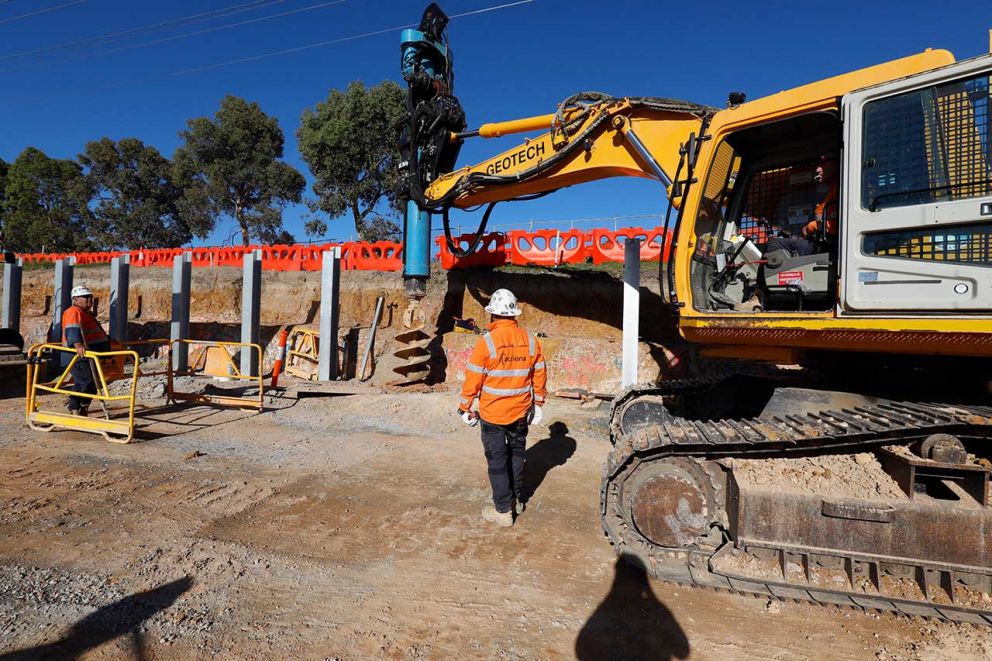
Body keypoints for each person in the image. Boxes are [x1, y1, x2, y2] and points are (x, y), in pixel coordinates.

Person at [458, 288, 547, 527]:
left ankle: (503, 511)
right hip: (520, 412)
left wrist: (465, 406)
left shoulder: (486, 343)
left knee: (497, 461)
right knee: (517, 456)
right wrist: (538, 403)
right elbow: (540, 374)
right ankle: (517, 500)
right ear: (514, 314)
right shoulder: (530, 341)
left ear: (493, 316)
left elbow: (473, 378)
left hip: (493, 415)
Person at [765, 156, 839, 257]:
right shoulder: (833, 190)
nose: (817, 170)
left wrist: (811, 227)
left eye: (822, 164)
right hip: (822, 243)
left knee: (775, 243)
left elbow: (841, 224)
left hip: (829, 245)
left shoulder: (843, 188)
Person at [61, 285, 111, 415]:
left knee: (84, 382)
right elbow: (72, 330)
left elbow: (94, 332)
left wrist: (110, 341)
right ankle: (80, 406)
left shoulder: (86, 313)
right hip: (76, 356)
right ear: (76, 299)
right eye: (86, 297)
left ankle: (75, 408)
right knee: (88, 382)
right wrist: (78, 345)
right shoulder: (73, 311)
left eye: (90, 297)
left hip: (88, 355)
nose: (90, 299)